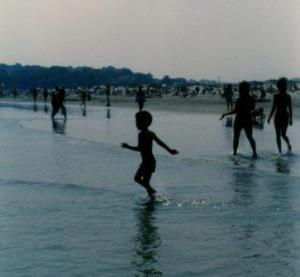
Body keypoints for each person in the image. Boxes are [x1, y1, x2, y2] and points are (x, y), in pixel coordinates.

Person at [122, 111, 178, 199]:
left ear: (145, 123)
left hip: (148, 162)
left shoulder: (142, 134)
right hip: (148, 161)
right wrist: (169, 150)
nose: (136, 124)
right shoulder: (151, 133)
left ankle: (152, 194)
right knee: (139, 180)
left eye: (138, 122)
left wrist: (127, 146)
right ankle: (151, 196)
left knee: (142, 181)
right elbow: (160, 143)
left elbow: (139, 149)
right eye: (136, 122)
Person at [220, 81, 257, 158]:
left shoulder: (239, 99)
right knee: (250, 137)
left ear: (242, 89)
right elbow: (252, 108)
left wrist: (225, 114)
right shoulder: (251, 99)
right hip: (248, 119)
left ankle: (234, 153)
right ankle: (254, 153)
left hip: (239, 119)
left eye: (240, 88)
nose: (239, 90)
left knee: (236, 137)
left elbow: (235, 111)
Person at [267, 77, 292, 154]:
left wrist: (269, 117)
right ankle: (287, 146)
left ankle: (280, 152)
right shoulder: (288, 96)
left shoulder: (276, 96)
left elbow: (273, 108)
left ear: (278, 87)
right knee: (283, 135)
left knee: (279, 135)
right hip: (285, 116)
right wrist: (291, 119)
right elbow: (290, 109)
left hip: (278, 116)